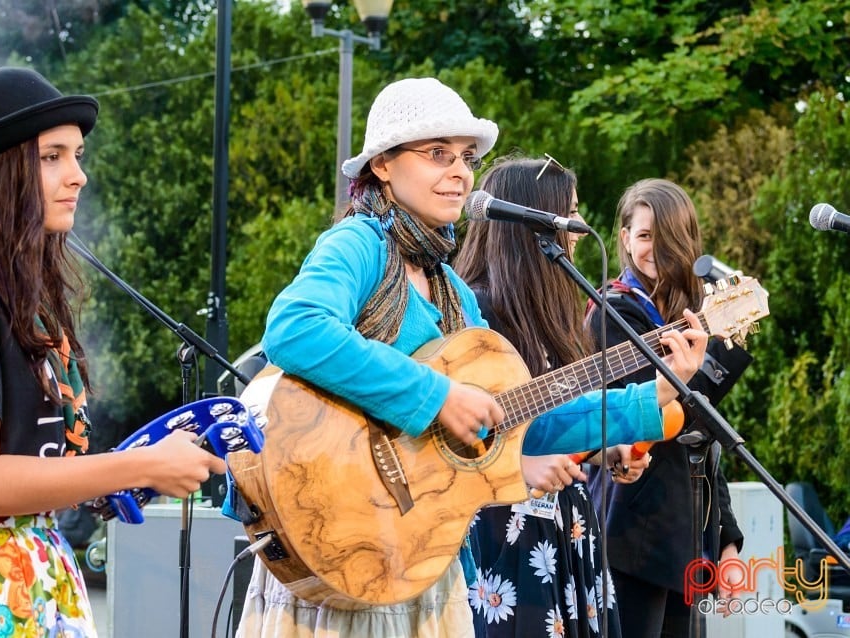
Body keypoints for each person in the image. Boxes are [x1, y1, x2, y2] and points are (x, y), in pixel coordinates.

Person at [233, 78, 707, 637]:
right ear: (383, 165)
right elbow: (295, 329)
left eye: (465, 157)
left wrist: (654, 395)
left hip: (421, 552)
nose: (459, 171)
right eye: (437, 154)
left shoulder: (453, 291)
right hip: (341, 529)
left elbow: (516, 416)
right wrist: (436, 396)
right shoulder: (357, 244)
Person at [0, 67, 225, 637]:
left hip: (31, 571)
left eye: (77, 154)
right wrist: (139, 464)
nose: (78, 175)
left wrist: (107, 478)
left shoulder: (20, 290)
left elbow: (33, 462)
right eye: (52, 157)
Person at [455, 156, 653, 637]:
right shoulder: (474, 308)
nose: (580, 228)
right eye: (568, 213)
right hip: (503, 533)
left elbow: (549, 421)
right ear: (531, 223)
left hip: (565, 526)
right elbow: (457, 434)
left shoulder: (549, 313)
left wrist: (602, 449)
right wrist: (520, 466)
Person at [586, 178, 753, 638]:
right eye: (643, 236)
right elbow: (666, 418)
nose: (653, 249)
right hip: (630, 537)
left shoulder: (687, 316)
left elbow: (705, 438)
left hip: (689, 541)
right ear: (623, 239)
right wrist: (723, 357)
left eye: (667, 238)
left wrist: (727, 540)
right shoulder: (612, 312)